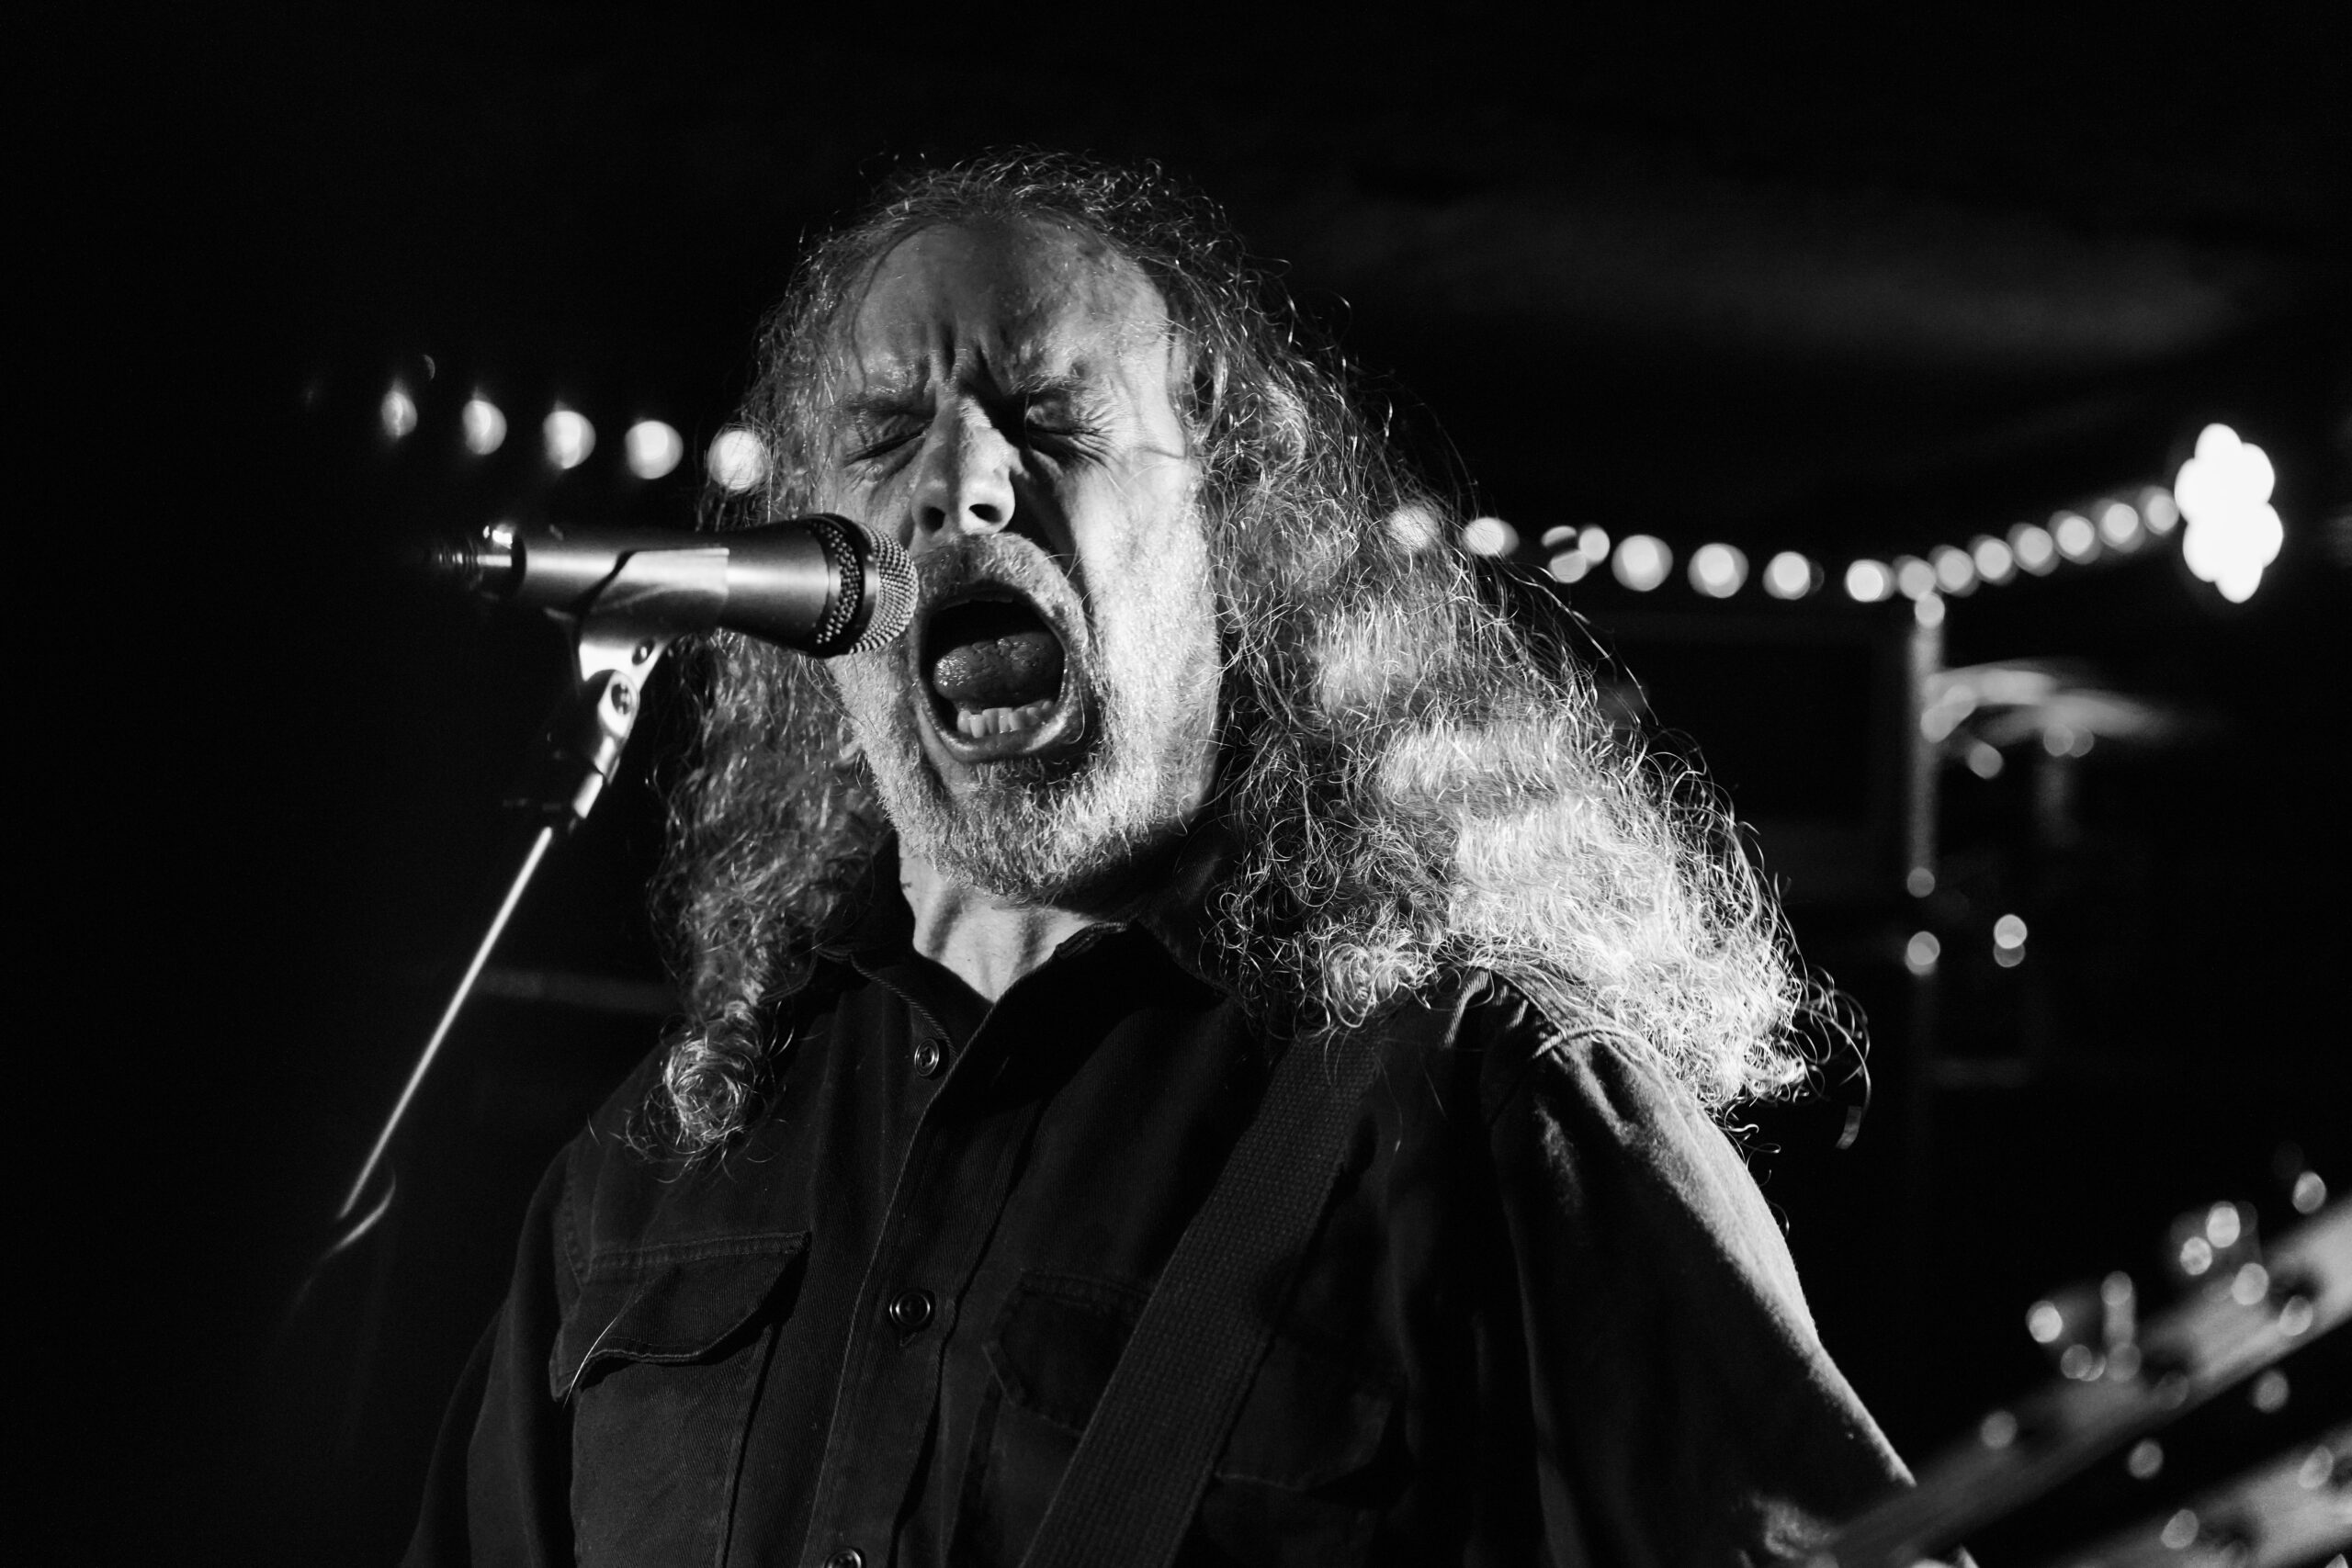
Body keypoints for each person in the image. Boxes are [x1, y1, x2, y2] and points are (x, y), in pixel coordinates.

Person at [405, 152, 1910, 1568]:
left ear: (1229, 536)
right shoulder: (657, 1164)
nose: (959, 483)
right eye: (882, 436)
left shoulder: (1482, 1103)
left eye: (1051, 418)